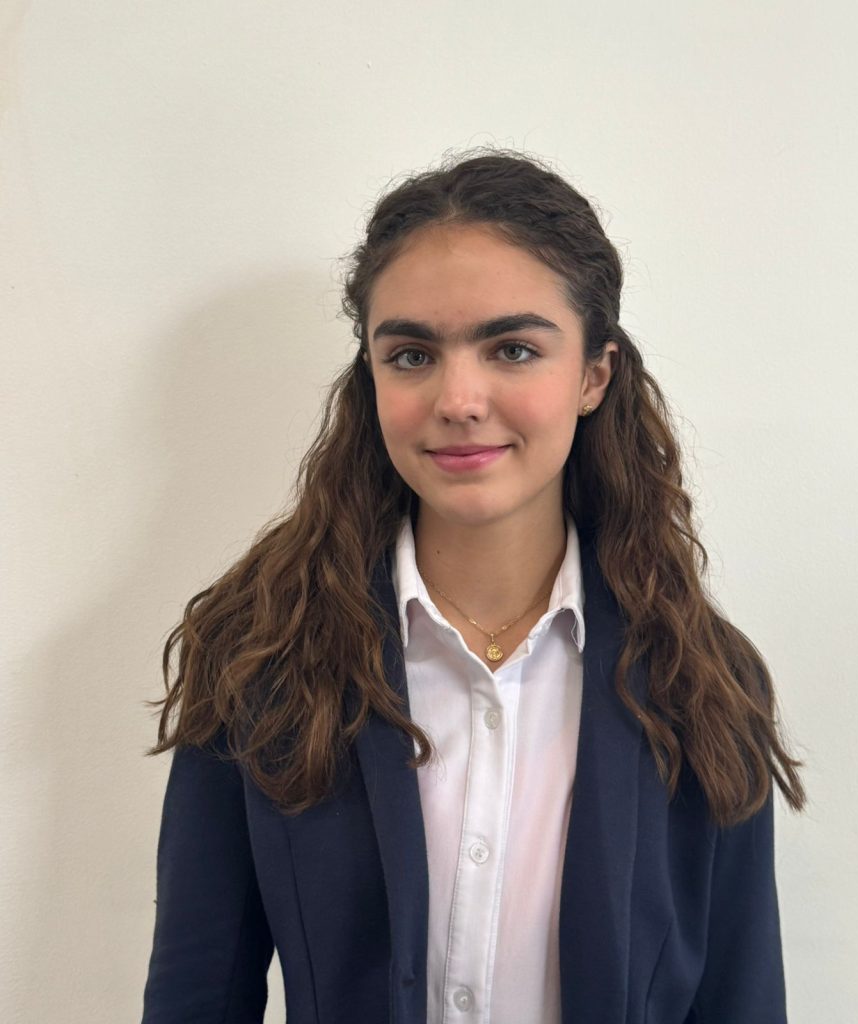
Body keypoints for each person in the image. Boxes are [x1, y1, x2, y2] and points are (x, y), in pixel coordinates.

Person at [140, 148, 806, 1024]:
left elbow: (740, 1000)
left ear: (594, 375)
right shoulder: (261, 657)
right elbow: (195, 995)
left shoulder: (703, 683)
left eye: (513, 349)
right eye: (412, 355)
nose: (458, 399)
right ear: (371, 375)